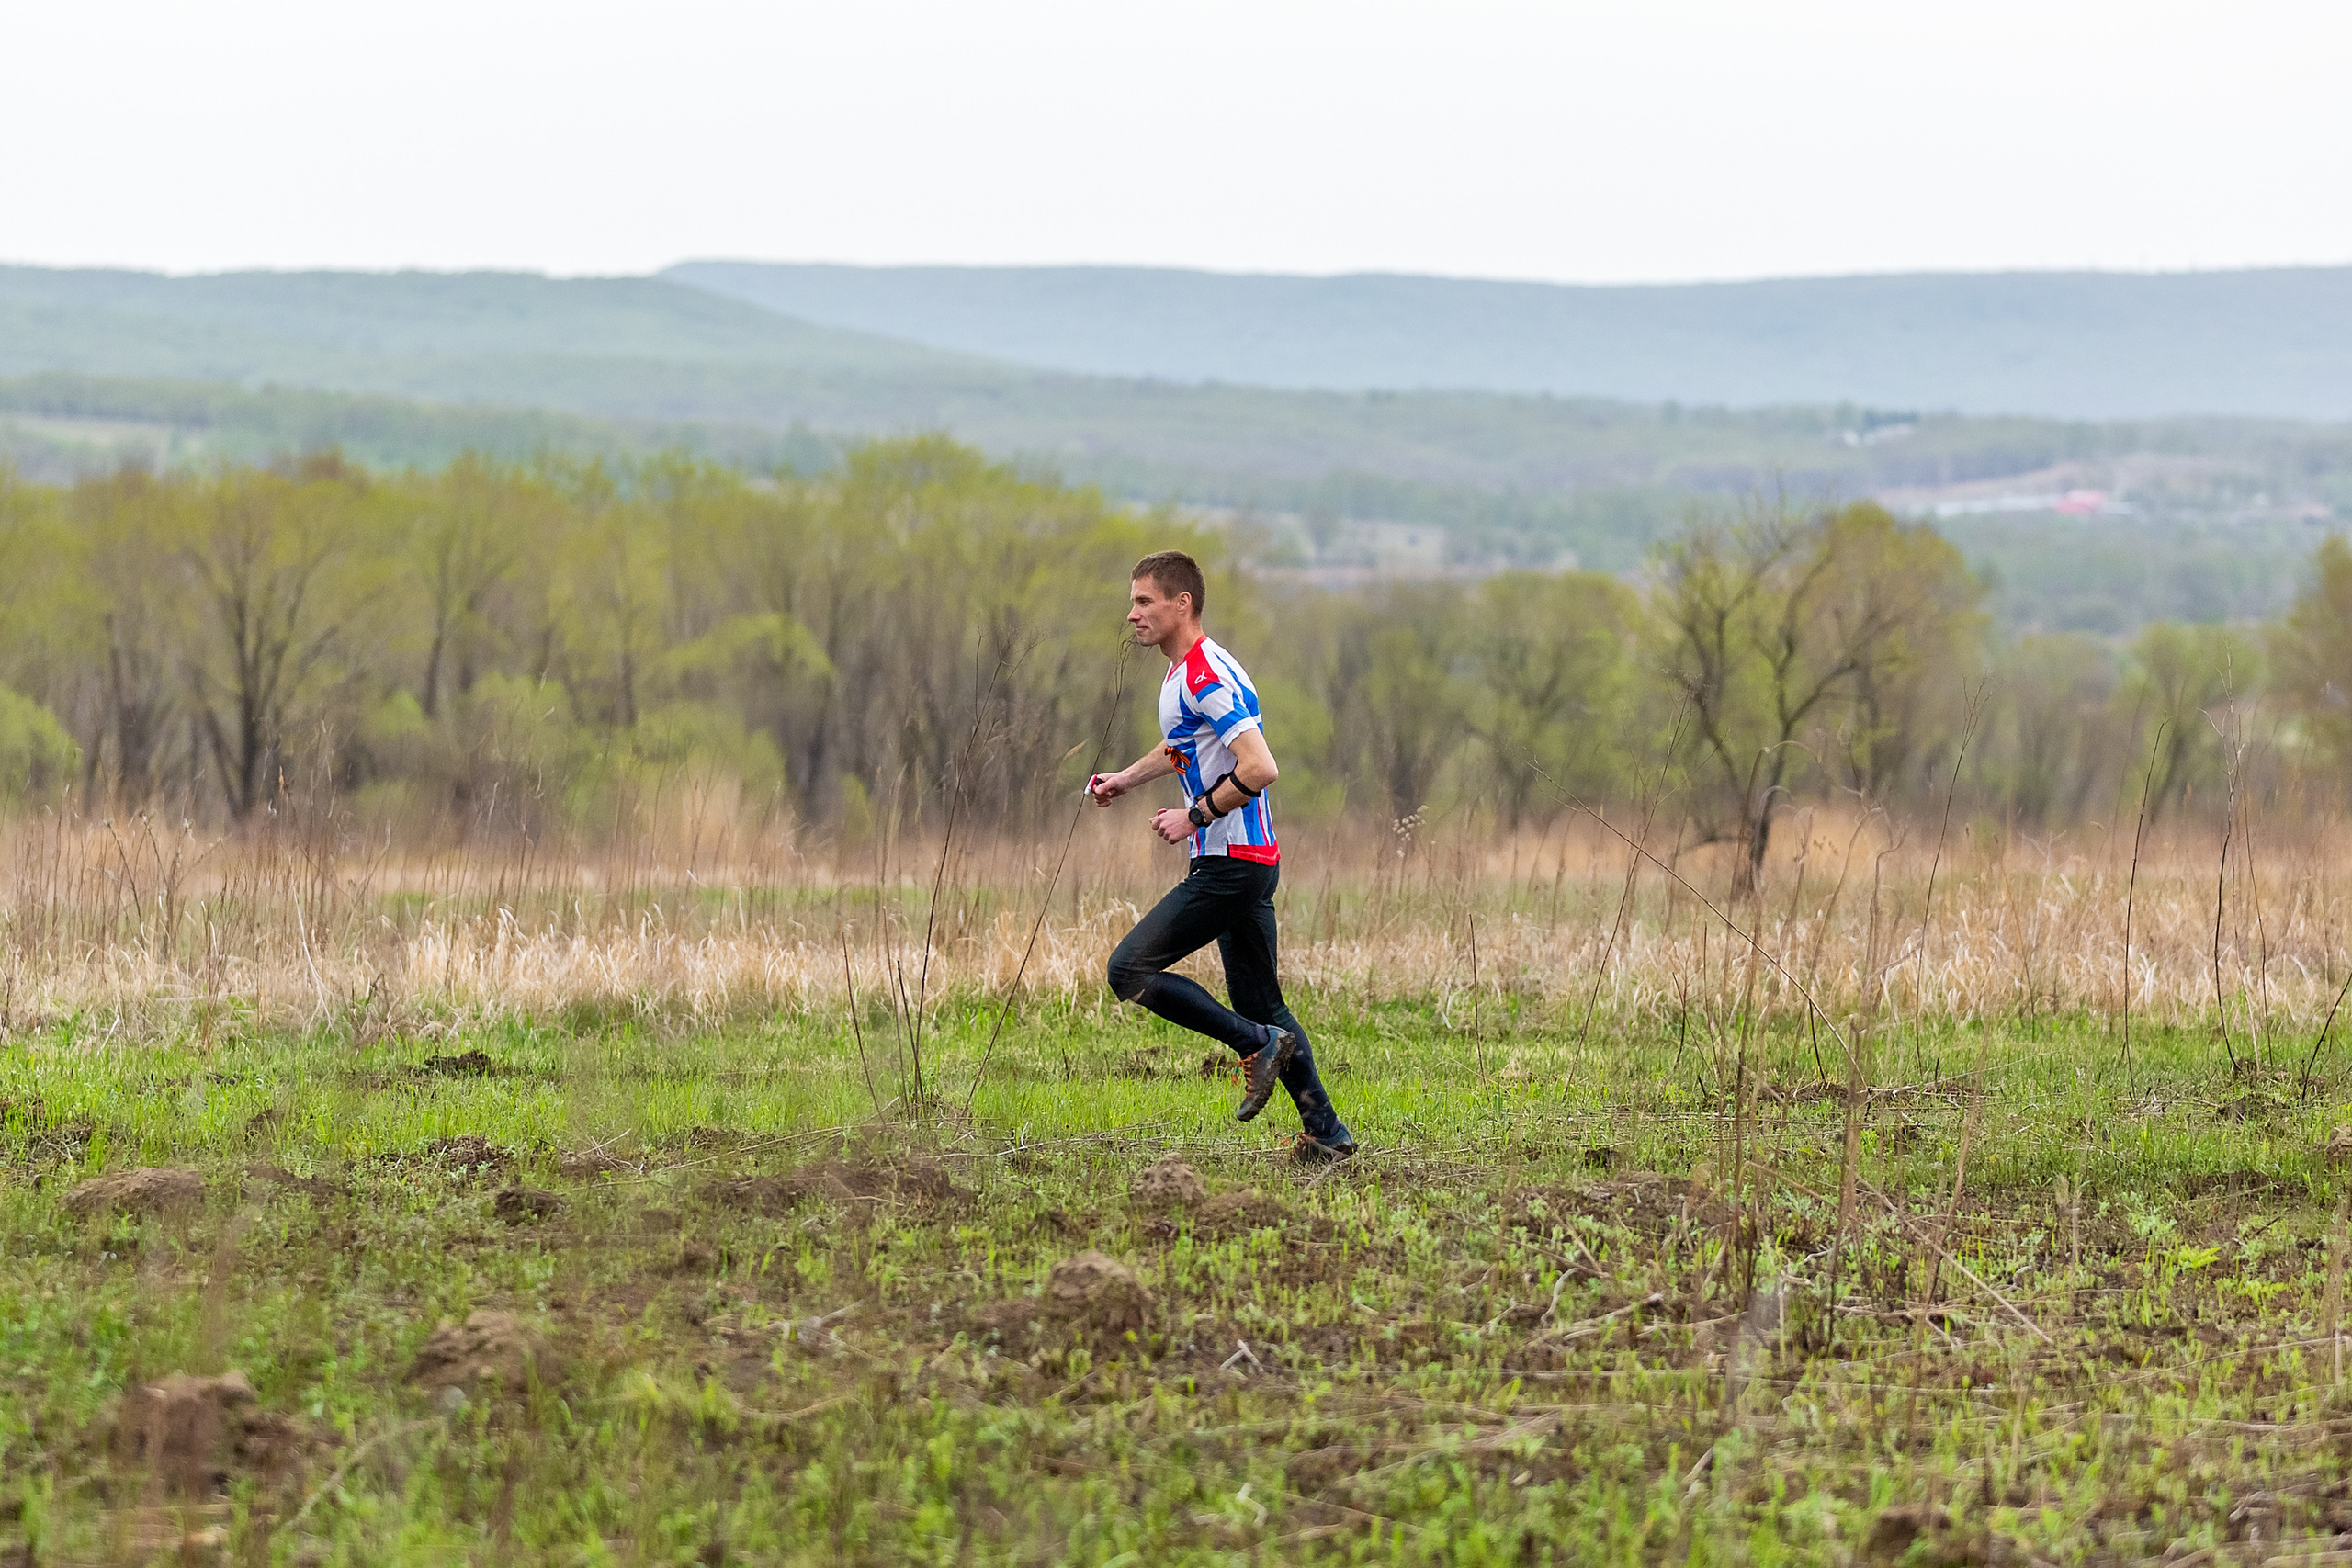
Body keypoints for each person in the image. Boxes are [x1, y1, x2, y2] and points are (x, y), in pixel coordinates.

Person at [1087, 550, 1355, 1160]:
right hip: (1253, 861)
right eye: (1132, 601)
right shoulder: (1194, 670)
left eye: (1144, 601)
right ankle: (1328, 1136)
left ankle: (1254, 1044)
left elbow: (1260, 765)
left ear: (1182, 603)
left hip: (1229, 865)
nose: (1132, 614)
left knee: (1128, 971)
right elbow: (1184, 742)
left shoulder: (1204, 674)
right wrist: (1127, 778)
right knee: (1265, 1004)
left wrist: (1195, 815)